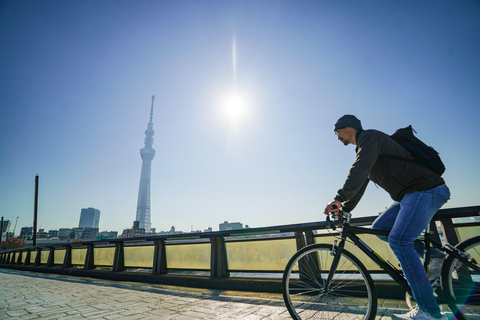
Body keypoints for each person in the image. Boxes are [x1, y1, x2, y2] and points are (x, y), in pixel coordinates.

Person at [324, 115, 450, 320]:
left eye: (337, 132)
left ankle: (430, 312)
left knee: (400, 241)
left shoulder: (369, 138)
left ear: (349, 127)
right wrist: (345, 208)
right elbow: (361, 183)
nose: (337, 137)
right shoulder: (366, 149)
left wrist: (338, 198)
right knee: (380, 227)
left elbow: (359, 169)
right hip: (410, 195)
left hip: (425, 190)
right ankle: (435, 257)